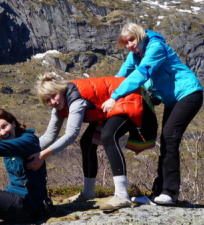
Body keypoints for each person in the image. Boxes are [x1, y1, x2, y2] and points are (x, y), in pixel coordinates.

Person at [102, 23, 203, 205]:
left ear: (140, 36)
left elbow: (142, 73)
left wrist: (115, 96)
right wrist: (106, 93)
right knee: (166, 141)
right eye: (125, 42)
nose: (129, 45)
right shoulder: (135, 55)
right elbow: (121, 75)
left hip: (189, 94)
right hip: (173, 100)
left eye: (131, 39)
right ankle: (157, 195)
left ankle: (170, 193)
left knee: (170, 139)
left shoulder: (156, 47)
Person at [28, 74, 157, 212]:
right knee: (86, 142)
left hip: (129, 96)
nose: (52, 101)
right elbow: (49, 135)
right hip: (108, 105)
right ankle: (88, 192)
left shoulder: (75, 99)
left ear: (60, 89)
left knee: (108, 136)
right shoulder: (59, 107)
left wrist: (42, 155)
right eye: (48, 100)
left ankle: (122, 195)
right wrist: (27, 150)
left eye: (53, 96)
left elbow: (71, 135)